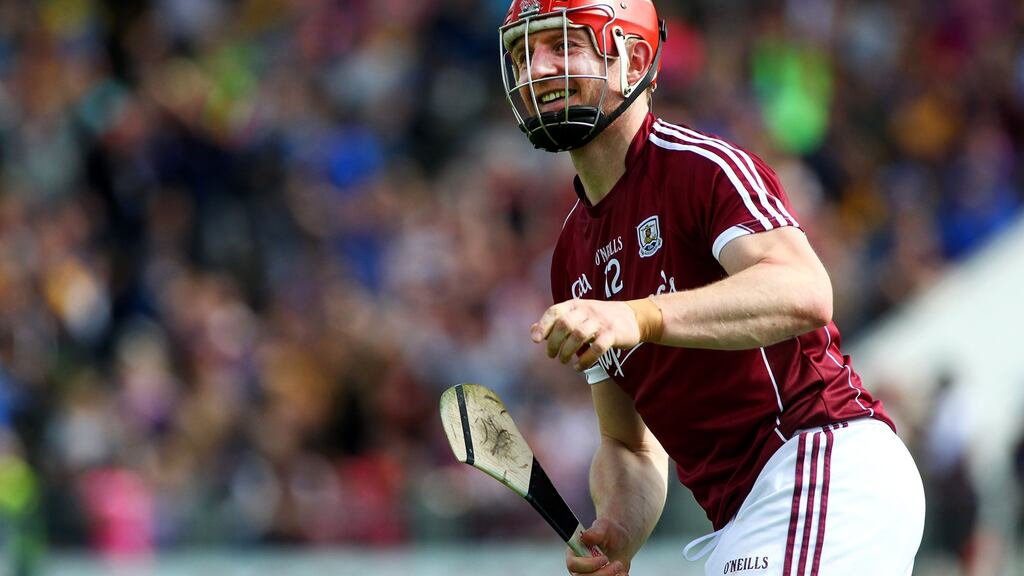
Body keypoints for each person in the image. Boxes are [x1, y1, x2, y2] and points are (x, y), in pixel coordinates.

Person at [498, 1, 926, 575]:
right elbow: (629, 446)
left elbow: (804, 290)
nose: (536, 71)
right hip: (744, 514)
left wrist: (640, 316)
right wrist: (617, 531)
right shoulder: (572, 256)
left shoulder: (703, 169)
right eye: (524, 55)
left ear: (636, 59)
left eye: (562, 46)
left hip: (818, 463)